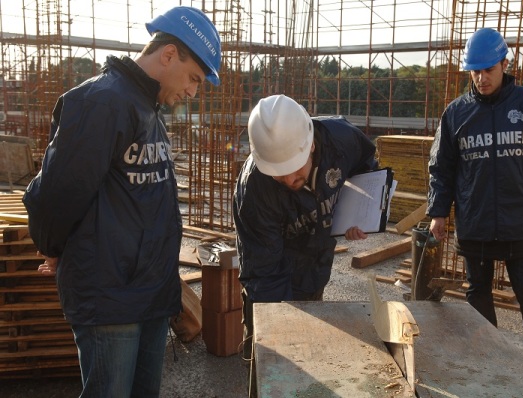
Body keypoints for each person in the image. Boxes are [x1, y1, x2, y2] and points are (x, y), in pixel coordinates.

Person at [22, 6, 221, 397]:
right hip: (109, 296)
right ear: (168, 54)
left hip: (147, 293)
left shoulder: (147, 108)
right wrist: (51, 247)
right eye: (194, 78)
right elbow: (59, 194)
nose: (193, 92)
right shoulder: (101, 102)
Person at [427, 27, 523, 380]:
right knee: (478, 293)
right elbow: (441, 167)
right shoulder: (456, 114)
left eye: (488, 69)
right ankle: (488, 363)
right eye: (474, 71)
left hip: (520, 220)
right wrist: (438, 212)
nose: (481, 77)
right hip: (476, 221)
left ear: (505, 63)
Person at [232, 94, 377, 387]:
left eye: (294, 168)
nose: (287, 179)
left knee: (310, 370)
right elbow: (266, 276)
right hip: (270, 285)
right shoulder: (255, 192)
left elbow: (366, 162)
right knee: (272, 374)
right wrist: (281, 340)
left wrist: (356, 210)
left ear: (311, 144)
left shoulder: (341, 140)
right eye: (278, 173)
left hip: (315, 268)